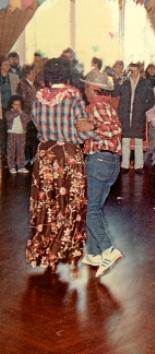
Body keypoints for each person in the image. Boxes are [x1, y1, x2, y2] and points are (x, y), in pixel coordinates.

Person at [26, 57, 94, 273]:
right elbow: (85, 132)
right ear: (67, 74)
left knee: (46, 202)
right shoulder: (74, 98)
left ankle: (44, 249)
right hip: (68, 156)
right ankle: (64, 248)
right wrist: (95, 127)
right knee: (69, 202)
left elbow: (36, 127)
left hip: (46, 154)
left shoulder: (39, 99)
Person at [80, 70, 124, 277]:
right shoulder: (107, 106)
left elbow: (113, 130)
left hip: (99, 160)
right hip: (111, 162)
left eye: (86, 87)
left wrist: (91, 126)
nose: (84, 90)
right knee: (94, 208)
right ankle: (94, 253)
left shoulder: (96, 106)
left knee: (89, 210)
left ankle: (108, 249)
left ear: (93, 89)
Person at [115, 62, 155, 174]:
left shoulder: (145, 83)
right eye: (131, 71)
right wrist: (119, 83)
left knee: (138, 142)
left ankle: (139, 166)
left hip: (138, 115)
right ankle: (124, 165)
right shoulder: (124, 82)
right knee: (125, 141)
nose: (132, 73)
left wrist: (143, 108)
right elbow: (115, 93)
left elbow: (152, 100)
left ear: (139, 71)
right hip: (125, 116)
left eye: (135, 71)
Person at [16, 65, 39, 164]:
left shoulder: (36, 84)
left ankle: (32, 156)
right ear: (27, 74)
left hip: (35, 116)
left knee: (34, 137)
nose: (35, 74)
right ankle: (25, 158)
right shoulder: (22, 85)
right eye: (33, 72)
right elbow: (22, 100)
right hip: (26, 115)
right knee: (26, 138)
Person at [5, 95, 31, 174]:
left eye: (19, 104)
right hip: (12, 134)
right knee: (11, 150)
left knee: (21, 151)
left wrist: (21, 113)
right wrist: (17, 113)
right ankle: (12, 167)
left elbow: (27, 119)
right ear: (11, 105)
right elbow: (9, 117)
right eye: (15, 104)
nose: (17, 106)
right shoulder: (9, 112)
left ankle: (21, 167)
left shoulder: (22, 113)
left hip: (21, 134)